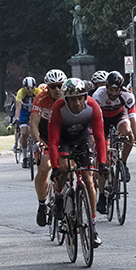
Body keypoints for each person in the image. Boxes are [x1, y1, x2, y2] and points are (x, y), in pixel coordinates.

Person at [47, 78, 107, 245]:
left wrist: (102, 163)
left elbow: (100, 137)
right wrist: (55, 167)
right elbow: (53, 141)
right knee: (64, 168)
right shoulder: (58, 108)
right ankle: (59, 196)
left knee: (88, 179)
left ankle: (93, 228)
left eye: (81, 98)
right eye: (73, 99)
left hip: (83, 138)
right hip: (64, 139)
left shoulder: (93, 106)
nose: (77, 102)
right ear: (66, 99)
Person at [91, 71, 136, 211]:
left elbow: (133, 120)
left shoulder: (127, 96)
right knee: (103, 159)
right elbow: (96, 121)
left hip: (119, 116)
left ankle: (123, 163)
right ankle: (101, 196)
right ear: (106, 87)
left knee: (128, 134)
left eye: (116, 90)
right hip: (102, 120)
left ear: (121, 88)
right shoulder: (98, 96)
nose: (113, 93)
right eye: (110, 89)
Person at [32, 69, 66, 227]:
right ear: (48, 87)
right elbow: (34, 123)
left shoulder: (69, 96)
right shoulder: (41, 98)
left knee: (68, 168)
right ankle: (41, 205)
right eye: (53, 86)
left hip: (64, 133)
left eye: (60, 86)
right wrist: (37, 141)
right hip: (46, 135)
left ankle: (60, 197)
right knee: (44, 167)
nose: (57, 89)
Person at [14, 77, 38, 167]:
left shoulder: (38, 91)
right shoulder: (21, 93)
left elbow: (43, 104)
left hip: (34, 113)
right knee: (24, 133)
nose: (30, 90)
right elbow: (18, 107)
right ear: (24, 88)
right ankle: (24, 157)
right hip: (23, 114)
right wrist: (16, 118)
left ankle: (35, 153)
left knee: (36, 132)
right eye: (27, 88)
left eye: (32, 88)